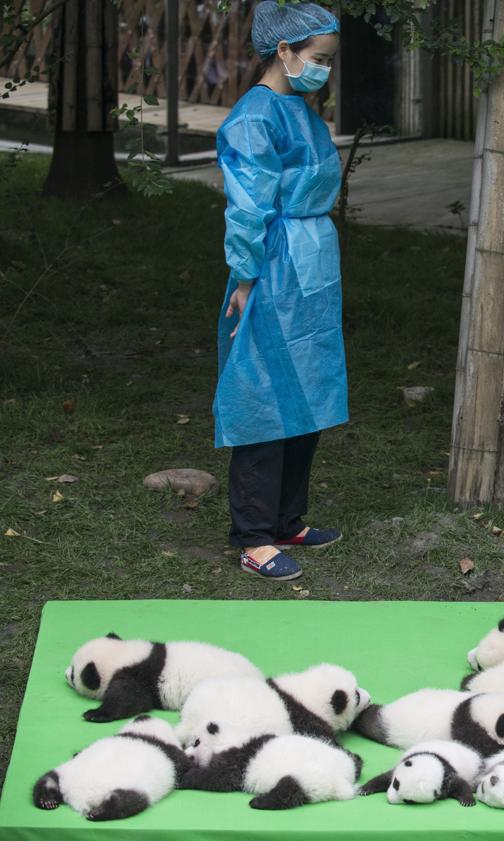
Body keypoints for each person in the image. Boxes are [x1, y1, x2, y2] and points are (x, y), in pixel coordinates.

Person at [212, 1, 346, 581]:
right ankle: (253, 535)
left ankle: (288, 517)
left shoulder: (298, 107)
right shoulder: (254, 117)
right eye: (317, 58)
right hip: (270, 269)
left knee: (307, 395)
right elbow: (246, 206)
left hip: (312, 269)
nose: (324, 70)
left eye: (329, 60)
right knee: (263, 398)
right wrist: (244, 279)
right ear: (284, 51)